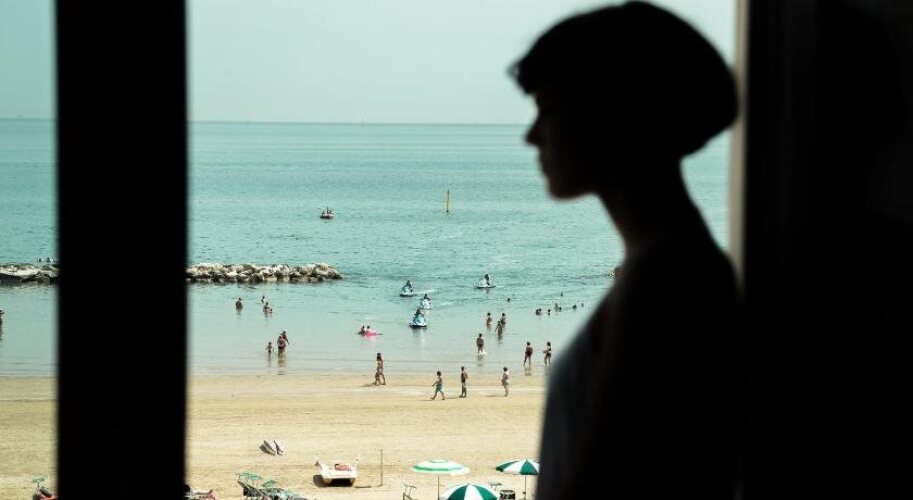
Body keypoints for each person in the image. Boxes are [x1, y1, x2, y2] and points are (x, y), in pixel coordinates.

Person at [511, 3, 739, 498]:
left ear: (614, 114)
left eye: (549, 110)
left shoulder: (667, 279)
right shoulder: (669, 263)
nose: (531, 136)